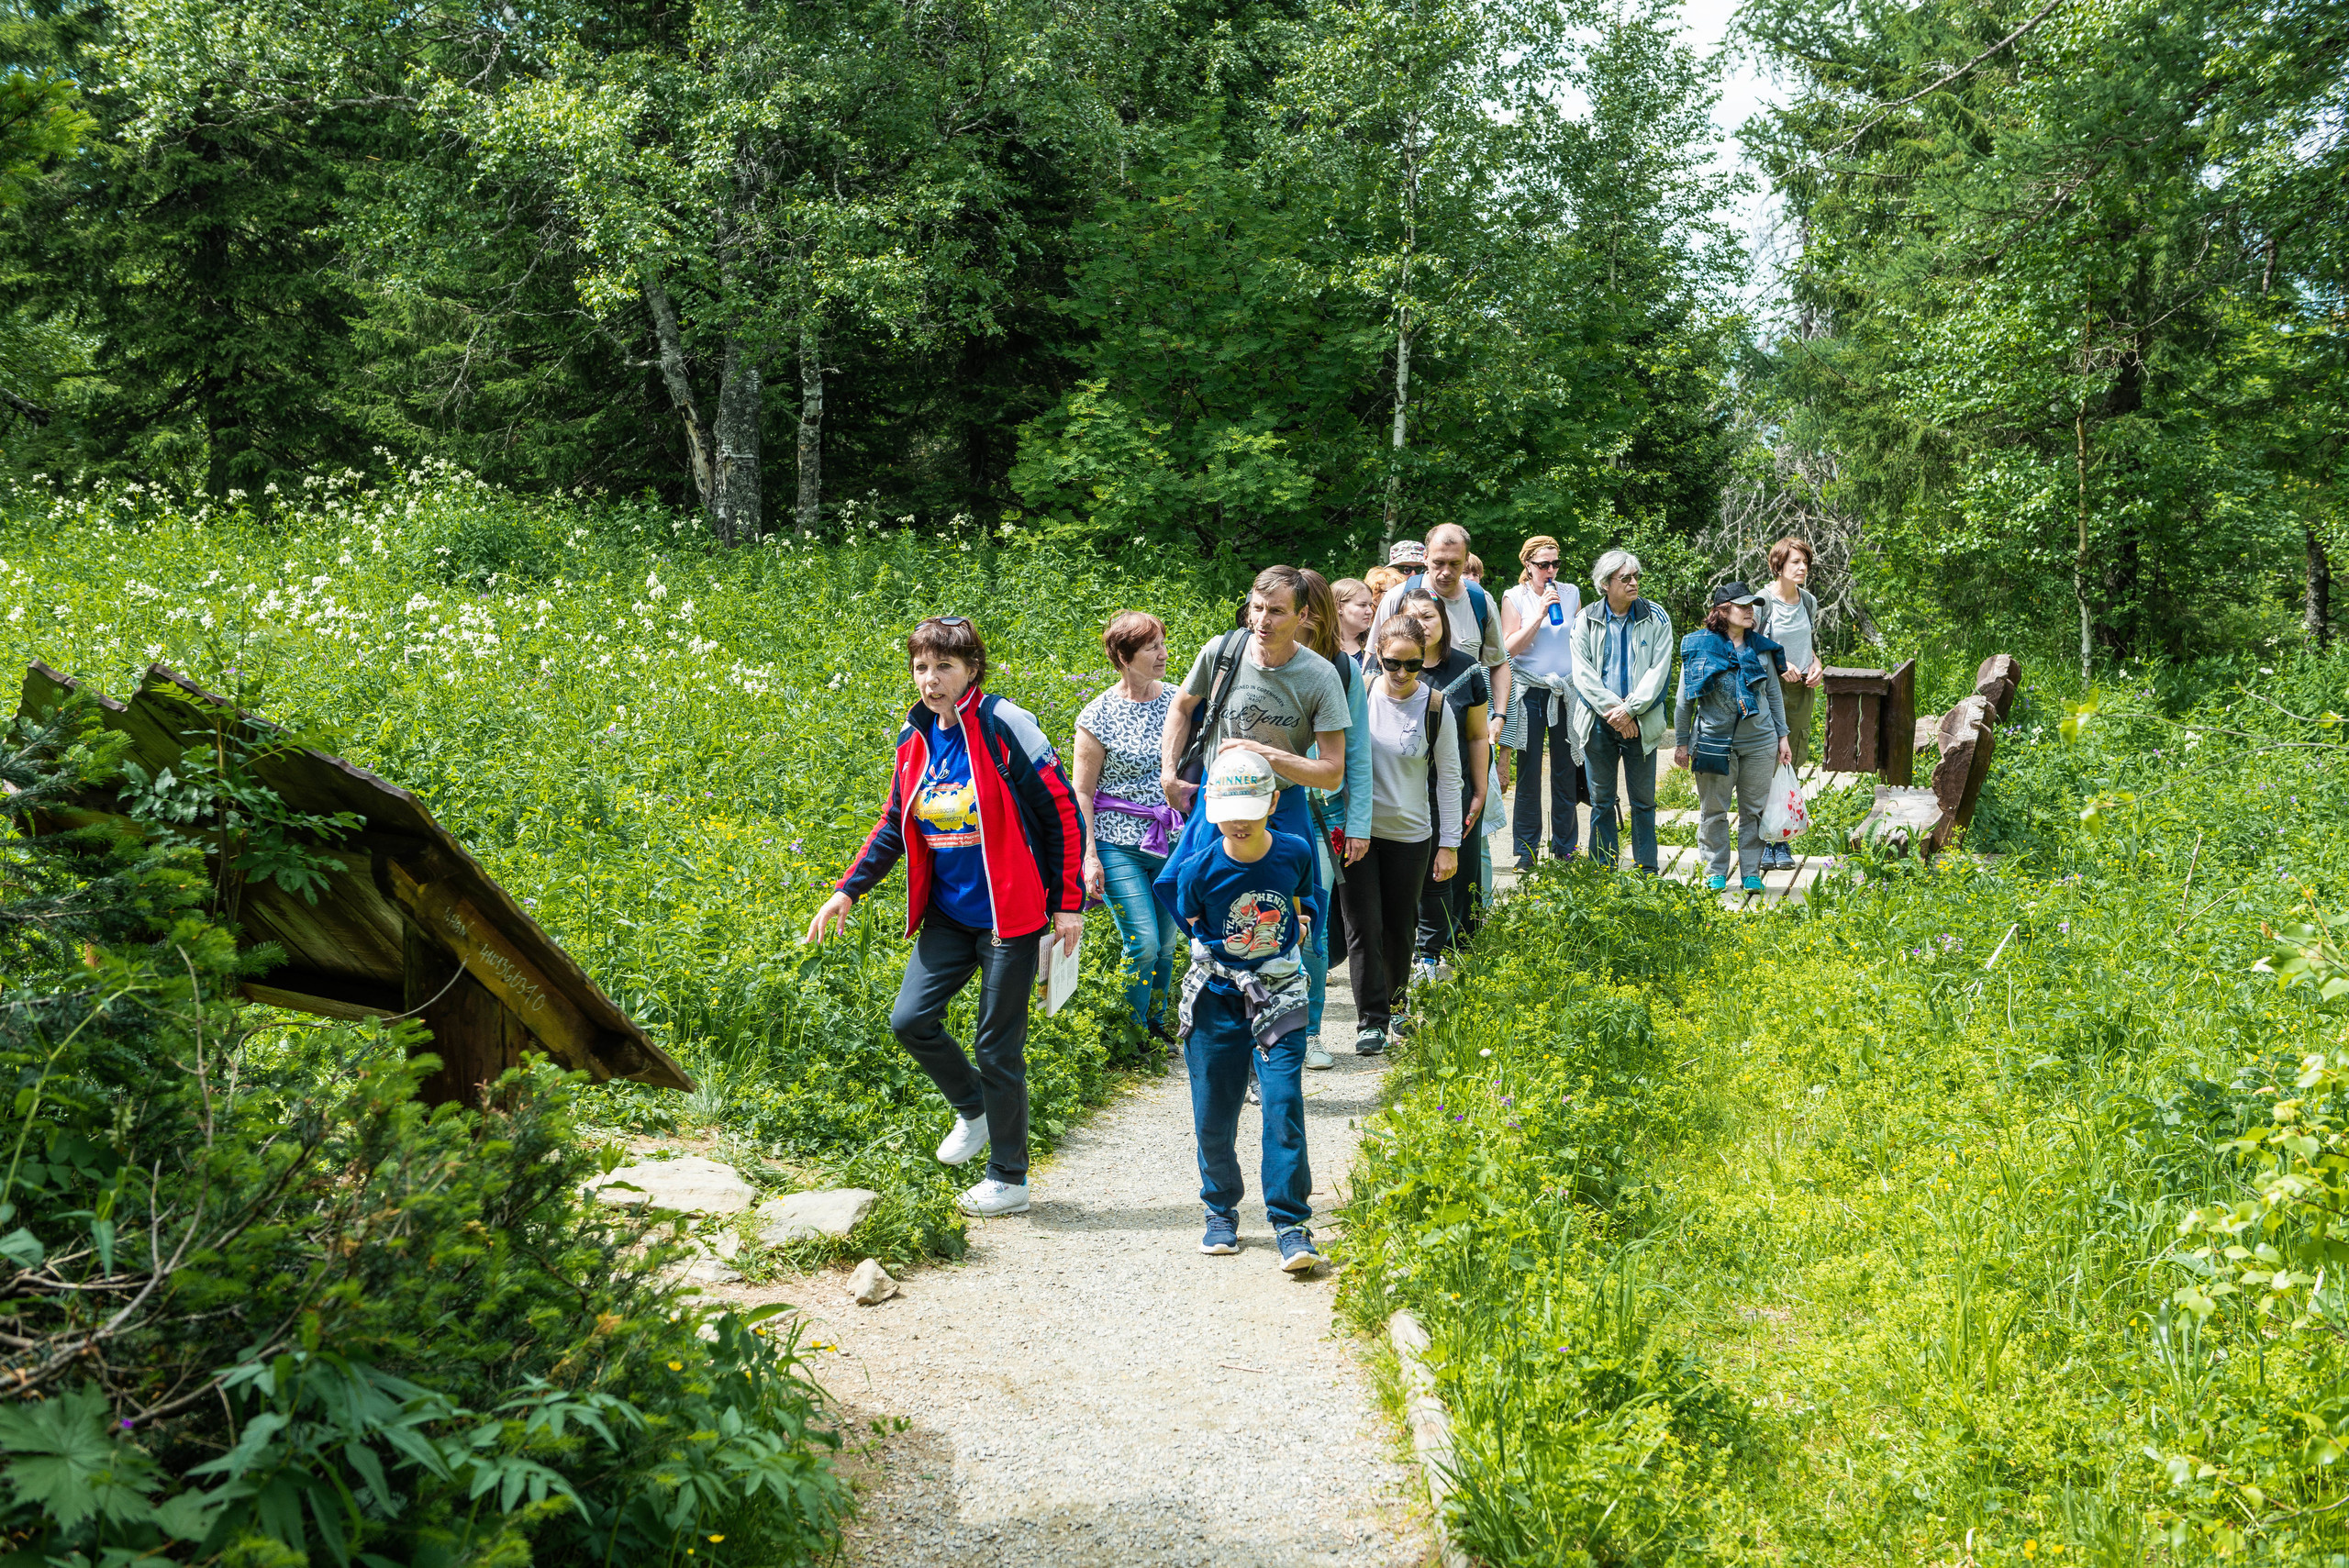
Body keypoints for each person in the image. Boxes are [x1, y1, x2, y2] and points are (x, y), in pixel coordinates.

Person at [806, 617, 1085, 1219]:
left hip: (1010, 915)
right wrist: (847, 891)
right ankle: (974, 1109)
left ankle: (1008, 1178)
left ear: (972, 670)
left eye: (944, 667)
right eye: (921, 667)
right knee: (910, 1019)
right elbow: (893, 823)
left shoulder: (1005, 725)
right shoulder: (915, 739)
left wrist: (1068, 903)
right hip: (950, 916)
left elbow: (1062, 810)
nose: (930, 680)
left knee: (996, 1046)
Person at [1154, 566, 1349, 1004]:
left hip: (1281, 805)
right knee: (1203, 905)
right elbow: (1181, 708)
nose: (1262, 620)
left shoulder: (1320, 676)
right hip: (1219, 802)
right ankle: (1217, 1010)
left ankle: (1295, 1023)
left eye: (1276, 611)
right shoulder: (1222, 652)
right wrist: (1169, 772)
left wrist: (1267, 754)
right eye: (1257, 608)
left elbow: (1332, 771)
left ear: (1302, 616)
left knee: (1295, 918)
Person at [1173, 750, 1327, 1273]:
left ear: (1274, 803)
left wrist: (1298, 928)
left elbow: (1304, 898)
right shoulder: (1197, 870)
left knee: (1283, 1103)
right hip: (1216, 995)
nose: (1239, 823)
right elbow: (1190, 921)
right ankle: (1220, 1210)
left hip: (1280, 991)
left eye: (1251, 811)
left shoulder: (1295, 851)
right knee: (1214, 1110)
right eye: (1228, 813)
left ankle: (1290, 1221)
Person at [1340, 617, 1460, 1054]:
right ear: (1378, 656)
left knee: (1400, 927)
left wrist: (1450, 845)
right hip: (1359, 832)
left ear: (1424, 661)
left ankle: (1397, 1007)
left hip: (1410, 834)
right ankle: (1371, 1021)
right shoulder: (1360, 694)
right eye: (1393, 663)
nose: (1402, 673)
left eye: (1413, 664)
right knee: (1362, 927)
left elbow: (1450, 780)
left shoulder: (1436, 707)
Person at [1074, 612, 1182, 1043]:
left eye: (1162, 643)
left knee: (1168, 944)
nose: (1163, 653)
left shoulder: (1178, 701)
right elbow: (1082, 792)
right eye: (1152, 647)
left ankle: (1156, 1025)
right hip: (1117, 843)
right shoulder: (1097, 715)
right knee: (1144, 942)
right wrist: (1089, 856)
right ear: (1123, 657)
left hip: (1171, 839)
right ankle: (1130, 1033)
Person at [1297, 569, 1373, 1072]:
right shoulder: (1250, 658)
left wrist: (1360, 823)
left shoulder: (1342, 670)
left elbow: (1359, 754)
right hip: (1260, 812)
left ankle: (1309, 1033)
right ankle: (1262, 1029)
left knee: (1315, 922)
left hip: (1325, 817)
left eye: (1305, 608)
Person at [1675, 583, 1791, 893]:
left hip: (1760, 742)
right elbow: (1684, 700)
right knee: (1714, 810)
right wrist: (1682, 743)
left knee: (1754, 811)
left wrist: (1783, 737)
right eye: (1743, 606)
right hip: (1713, 743)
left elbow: (1773, 695)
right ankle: (1716, 870)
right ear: (1723, 611)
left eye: (1752, 606)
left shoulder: (1762, 648)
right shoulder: (1699, 647)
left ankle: (1751, 871)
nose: (1750, 611)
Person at [1571, 550, 1674, 873]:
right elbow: (1582, 674)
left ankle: (1646, 870)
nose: (1634, 583)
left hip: (1640, 721)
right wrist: (1615, 713)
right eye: (1625, 578)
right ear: (1605, 584)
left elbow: (1659, 671)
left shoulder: (1656, 616)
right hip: (1598, 722)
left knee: (1643, 801)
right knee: (1601, 800)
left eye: (1636, 577)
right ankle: (1602, 868)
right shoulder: (1585, 618)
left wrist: (1629, 710)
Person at [1400, 589, 1488, 966]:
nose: (1422, 624)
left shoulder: (1468, 668)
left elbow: (1478, 735)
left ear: (1443, 620)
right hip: (1402, 788)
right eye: (1413, 617)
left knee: (1457, 865)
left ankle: (1460, 948)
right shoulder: (1391, 665)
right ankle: (1416, 948)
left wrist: (1481, 789)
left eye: (1429, 616)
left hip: (1454, 785)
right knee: (1412, 869)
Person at [1497, 534, 1584, 871]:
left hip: (1564, 691)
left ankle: (1565, 849)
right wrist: (1539, 615)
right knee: (1529, 772)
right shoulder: (1514, 597)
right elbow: (1508, 648)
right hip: (1530, 690)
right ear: (1528, 565)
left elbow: (1579, 641)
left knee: (1565, 771)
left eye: (1555, 563)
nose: (1550, 570)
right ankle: (1526, 852)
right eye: (1543, 564)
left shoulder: (1571, 593)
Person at [1371, 524, 1510, 723]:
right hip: (1400, 720)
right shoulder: (1397, 597)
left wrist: (1499, 715)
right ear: (1425, 557)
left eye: (1454, 564)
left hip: (1464, 724)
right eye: (1438, 563)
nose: (1446, 572)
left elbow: (1498, 663)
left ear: (1467, 559)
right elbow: (1373, 659)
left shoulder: (1480, 601)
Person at [1755, 537, 1825, 870]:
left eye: (1805, 562)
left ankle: (1780, 839)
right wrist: (1780, 665)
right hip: (1769, 690)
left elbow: (1806, 644)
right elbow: (1748, 646)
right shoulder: (1763, 602)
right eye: (1795, 562)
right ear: (1778, 565)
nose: (1802, 568)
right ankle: (1760, 841)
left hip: (1801, 692)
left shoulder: (1808, 601)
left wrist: (1817, 664)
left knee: (1791, 759)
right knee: (1765, 759)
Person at [1330, 577, 1377, 664]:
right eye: (1362, 605)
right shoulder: (1321, 645)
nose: (1370, 612)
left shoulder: (1376, 642)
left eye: (1370, 605)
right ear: (1339, 607)